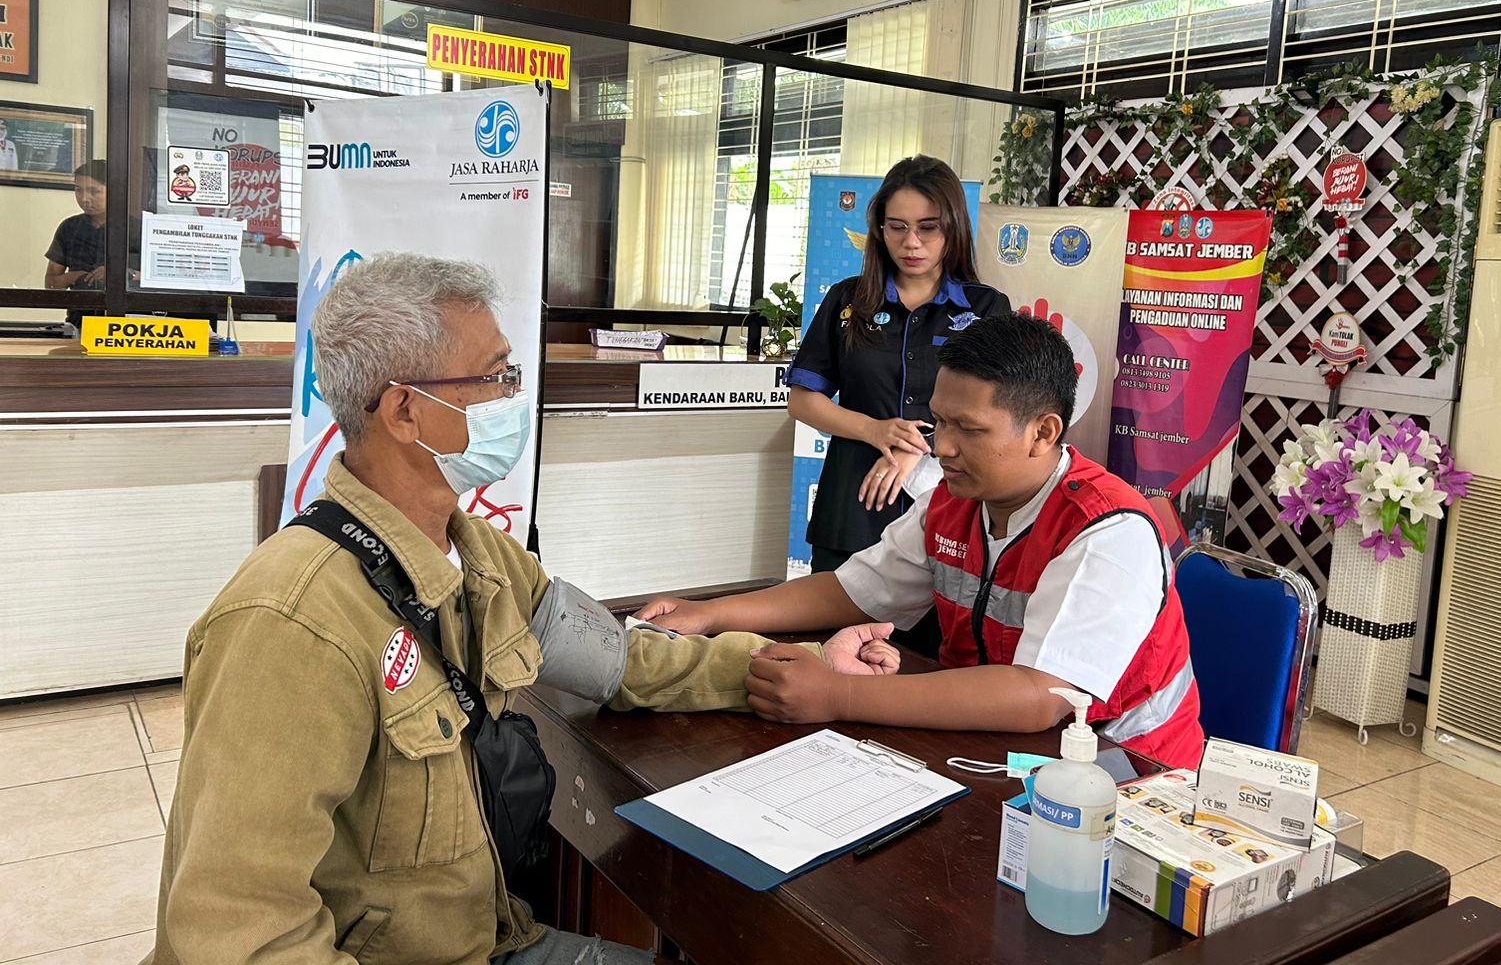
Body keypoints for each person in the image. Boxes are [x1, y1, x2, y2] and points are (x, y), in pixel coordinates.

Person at [144, 253, 899, 965]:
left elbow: (624, 658)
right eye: (497, 377)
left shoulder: (476, 556)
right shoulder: (291, 624)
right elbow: (237, 931)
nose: (516, 398)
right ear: (406, 412)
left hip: (490, 936)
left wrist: (783, 667)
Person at [640, 311, 1205, 770]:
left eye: (971, 429)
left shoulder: (1108, 531)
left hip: (1127, 776)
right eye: (940, 423)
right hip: (991, 750)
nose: (942, 449)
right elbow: (854, 590)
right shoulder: (955, 501)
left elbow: (1040, 697)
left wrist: (838, 696)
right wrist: (714, 614)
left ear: (1043, 432)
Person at [787, 154, 1008, 653]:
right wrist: (875, 430)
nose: (913, 243)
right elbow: (803, 401)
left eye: (929, 228)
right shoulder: (848, 300)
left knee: (929, 657)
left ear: (953, 228)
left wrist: (921, 444)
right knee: (835, 649)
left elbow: (996, 410)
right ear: (879, 229)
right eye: (898, 227)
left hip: (949, 507)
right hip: (853, 505)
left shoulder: (986, 308)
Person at [43, 159, 109, 328]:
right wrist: (77, 276)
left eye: (94, 191)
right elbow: (51, 284)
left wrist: (120, 275)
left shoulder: (134, 228)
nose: (84, 198)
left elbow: (153, 278)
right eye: (78, 190)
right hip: (79, 321)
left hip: (125, 324)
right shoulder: (69, 228)